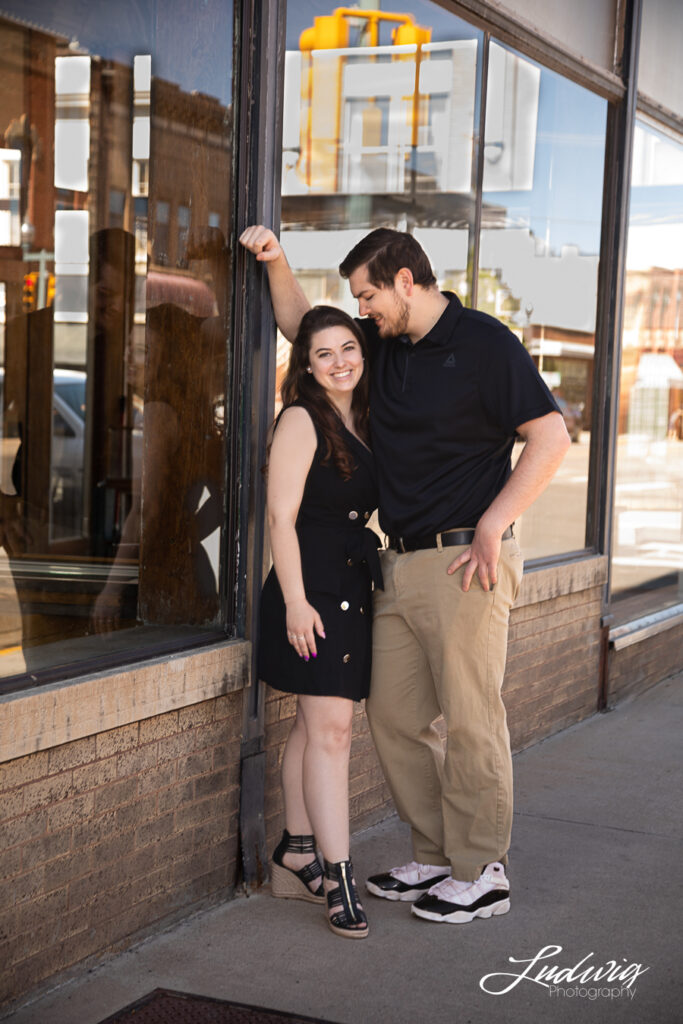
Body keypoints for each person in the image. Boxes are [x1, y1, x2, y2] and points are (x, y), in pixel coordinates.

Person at [239, 225, 570, 926]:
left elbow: (550, 436)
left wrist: (493, 524)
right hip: (396, 561)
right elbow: (307, 327)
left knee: (471, 717)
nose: (361, 309)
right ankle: (431, 854)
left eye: (368, 295)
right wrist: (275, 262)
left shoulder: (485, 343)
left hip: (466, 559)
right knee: (393, 716)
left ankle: (480, 870)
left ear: (406, 283)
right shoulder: (382, 346)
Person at [258, 304, 381, 940]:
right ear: (305, 366)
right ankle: (338, 876)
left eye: (348, 348)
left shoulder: (360, 415)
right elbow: (280, 517)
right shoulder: (303, 419)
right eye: (323, 354)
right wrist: (295, 601)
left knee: (313, 728)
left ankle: (296, 851)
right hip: (309, 589)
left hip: (350, 583)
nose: (340, 363)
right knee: (333, 731)